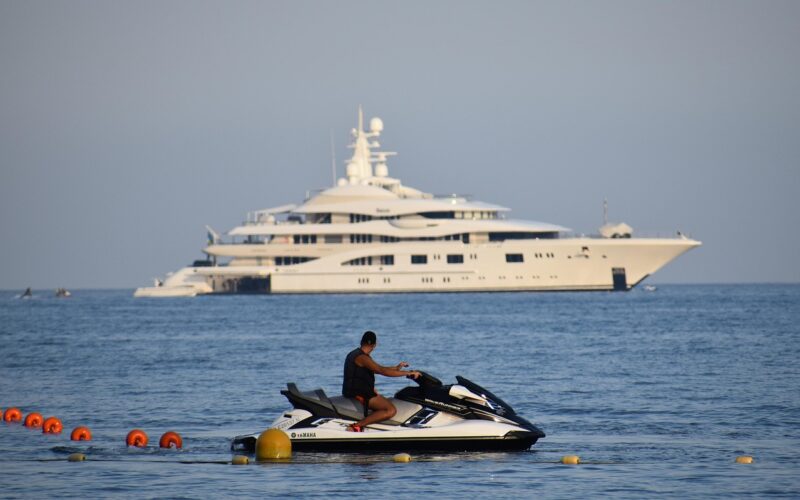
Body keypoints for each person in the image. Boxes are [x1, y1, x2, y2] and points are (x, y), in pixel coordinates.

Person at [342, 330, 420, 432]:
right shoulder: (362, 357)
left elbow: (377, 369)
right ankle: (356, 426)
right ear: (375, 345)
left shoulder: (356, 354)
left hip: (355, 391)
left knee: (384, 399)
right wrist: (407, 373)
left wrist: (396, 368)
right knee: (390, 410)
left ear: (361, 342)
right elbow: (382, 370)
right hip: (359, 394)